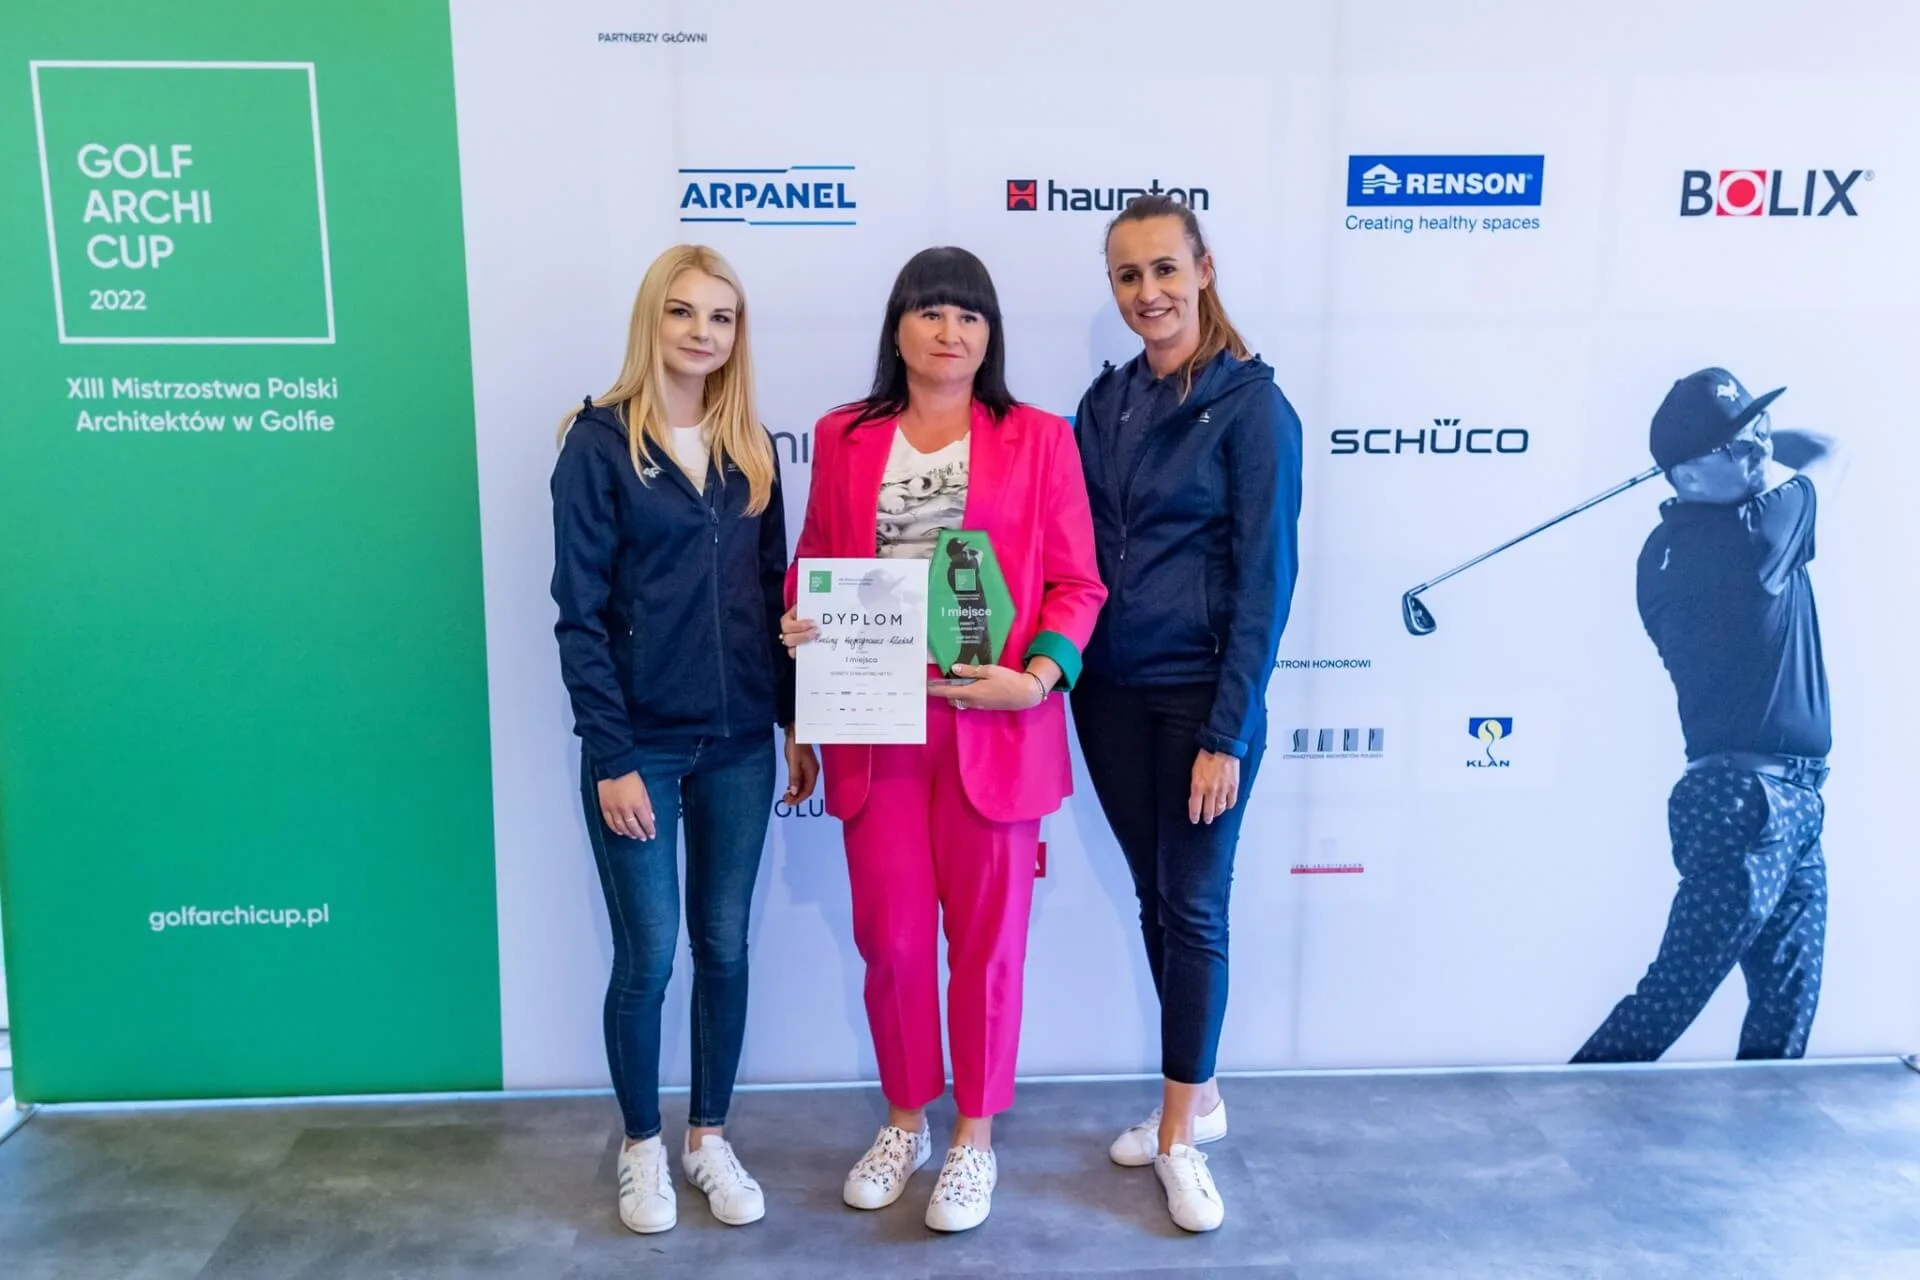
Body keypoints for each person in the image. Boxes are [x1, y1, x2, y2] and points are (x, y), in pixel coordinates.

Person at [780, 246, 1106, 1232]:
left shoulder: (1040, 438)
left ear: (990, 334)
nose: (950, 331)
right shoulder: (844, 435)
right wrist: (799, 622)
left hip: (993, 727)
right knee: (890, 941)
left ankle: (974, 1137)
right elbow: (813, 561)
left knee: (989, 947)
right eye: (930, 311)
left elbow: (1077, 584)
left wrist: (1036, 677)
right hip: (873, 725)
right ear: (898, 327)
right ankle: (904, 1120)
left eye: (969, 314)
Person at [550, 244, 819, 1236]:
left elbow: (770, 599)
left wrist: (794, 717)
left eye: (722, 316)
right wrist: (613, 755)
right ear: (651, 320)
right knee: (649, 956)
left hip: (741, 742)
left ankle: (707, 1137)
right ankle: (640, 1147)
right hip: (642, 749)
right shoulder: (597, 444)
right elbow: (579, 618)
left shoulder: (751, 449)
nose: (703, 332)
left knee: (725, 945)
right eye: (683, 311)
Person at [1069, 195, 1302, 1232]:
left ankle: (1178, 1138)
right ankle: (1194, 1097)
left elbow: (1266, 584)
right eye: (1128, 276)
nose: (1148, 292)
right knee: (1157, 900)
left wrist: (1227, 731)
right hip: (1108, 697)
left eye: (1165, 269)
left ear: (1203, 269)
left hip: (1201, 702)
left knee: (1196, 906)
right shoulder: (1104, 403)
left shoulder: (1254, 408)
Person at [1571, 368, 1842, 1065]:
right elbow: (1827, 450)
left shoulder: (1662, 551)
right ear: (1688, 476)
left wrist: (1736, 443)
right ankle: (1562, 1104)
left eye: (1758, 432)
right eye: (1737, 445)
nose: (1758, 449)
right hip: (1749, 803)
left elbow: (1770, 464)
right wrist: (1765, 443)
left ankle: (1765, 1125)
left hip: (1775, 799)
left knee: (1785, 1005)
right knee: (1676, 991)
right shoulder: (1756, 536)